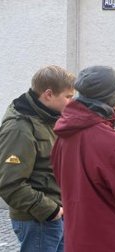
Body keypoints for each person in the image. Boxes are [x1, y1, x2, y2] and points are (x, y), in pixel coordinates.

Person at [51, 66, 115, 252]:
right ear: (110, 100)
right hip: (114, 242)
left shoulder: (62, 136)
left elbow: (61, 181)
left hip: (78, 240)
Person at [0, 65, 75, 251]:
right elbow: (10, 183)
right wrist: (51, 211)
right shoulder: (19, 128)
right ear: (48, 94)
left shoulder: (48, 118)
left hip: (55, 214)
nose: (71, 103)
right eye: (68, 97)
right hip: (38, 220)